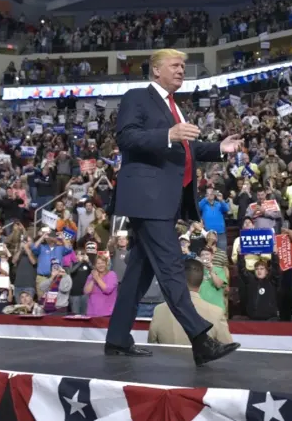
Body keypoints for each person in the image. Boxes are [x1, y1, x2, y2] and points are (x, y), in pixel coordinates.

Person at [106, 48, 242, 365]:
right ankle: (200, 338)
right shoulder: (136, 97)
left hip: (163, 201)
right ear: (156, 70)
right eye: (175, 65)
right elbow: (126, 138)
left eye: (183, 65)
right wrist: (168, 133)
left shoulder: (173, 107)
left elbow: (189, 147)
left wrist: (219, 149)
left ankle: (116, 338)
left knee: (140, 272)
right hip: (147, 198)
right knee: (170, 266)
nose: (182, 70)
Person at [149, 258, 233, 345]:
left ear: (179, 280)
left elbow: (152, 345)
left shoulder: (159, 310)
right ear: (201, 282)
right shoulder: (216, 312)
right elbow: (227, 347)